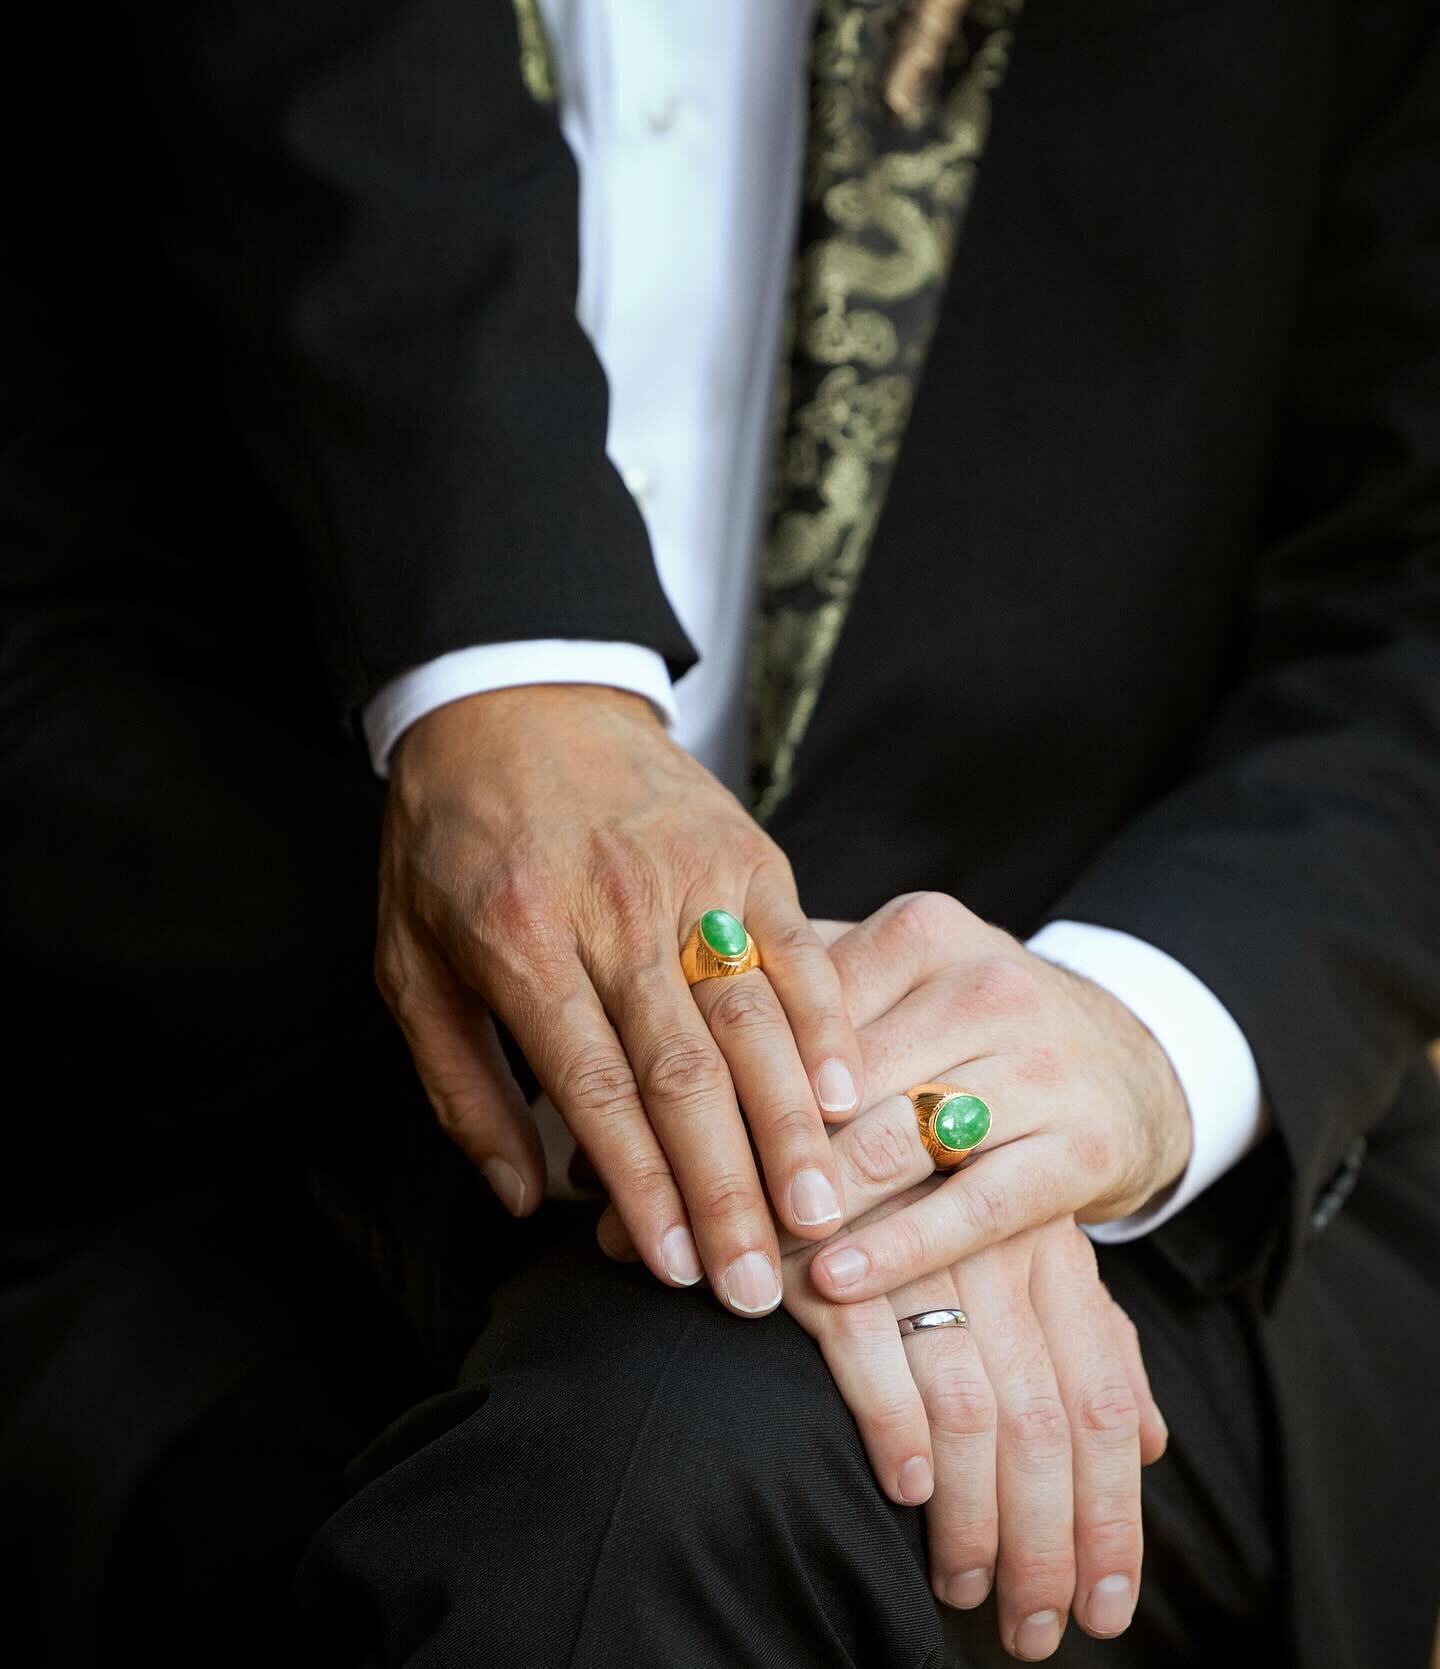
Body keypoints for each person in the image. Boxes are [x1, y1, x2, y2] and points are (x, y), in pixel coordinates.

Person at [2, 0, 1437, 1665]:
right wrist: (552, 958)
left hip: (1171, 1158)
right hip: (251, 1135)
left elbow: (1405, 602)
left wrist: (1125, 1041)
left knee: (659, 1478)